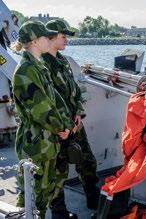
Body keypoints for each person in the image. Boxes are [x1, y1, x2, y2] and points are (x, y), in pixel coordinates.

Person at [12, 21, 75, 219]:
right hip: (36, 143)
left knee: (45, 190)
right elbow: (41, 109)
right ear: (35, 41)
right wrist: (60, 127)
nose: (50, 40)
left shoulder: (39, 67)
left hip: (48, 141)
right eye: (46, 37)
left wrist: (66, 125)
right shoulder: (26, 71)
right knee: (32, 194)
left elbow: (55, 101)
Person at [41, 19, 100, 218]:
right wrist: (65, 123)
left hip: (74, 124)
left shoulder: (63, 61)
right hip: (57, 128)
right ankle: (59, 213)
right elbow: (47, 101)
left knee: (88, 161)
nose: (67, 40)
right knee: (58, 172)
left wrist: (77, 113)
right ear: (51, 37)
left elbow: (74, 91)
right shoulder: (41, 65)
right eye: (63, 36)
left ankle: (94, 199)